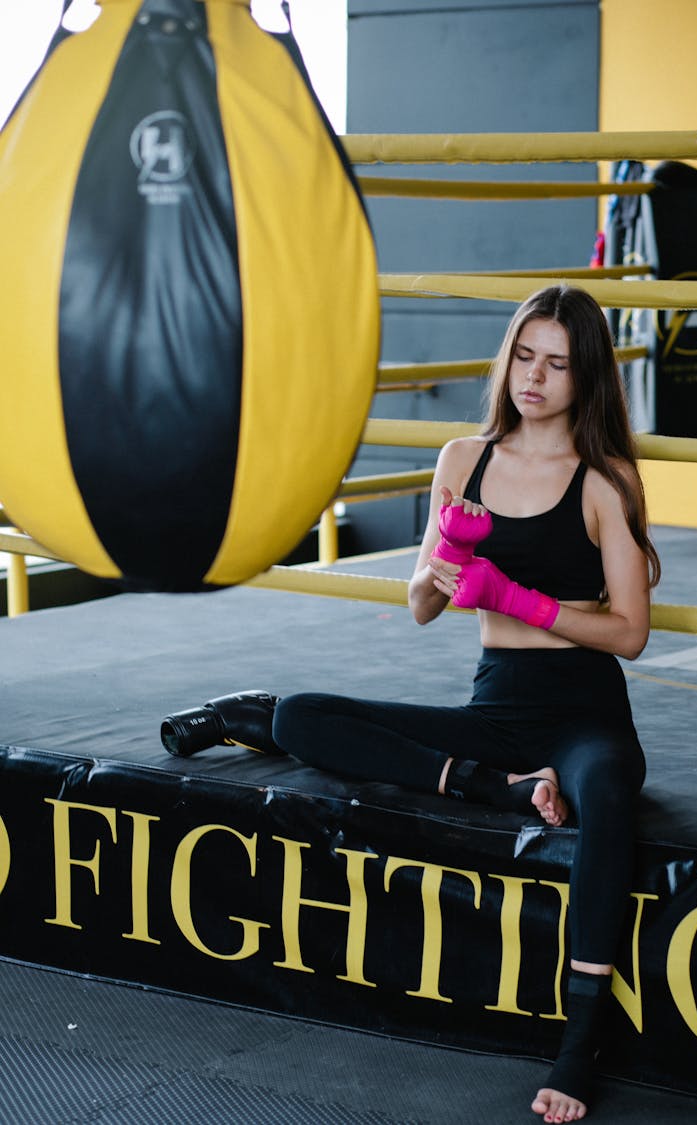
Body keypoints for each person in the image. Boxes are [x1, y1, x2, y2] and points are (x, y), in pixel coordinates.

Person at [161, 285, 660, 1122]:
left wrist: (522, 596)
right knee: (301, 716)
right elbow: (423, 607)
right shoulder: (463, 459)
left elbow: (631, 632)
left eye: (557, 363)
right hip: (495, 712)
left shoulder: (605, 480)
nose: (534, 377)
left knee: (607, 792)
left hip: (584, 715)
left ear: (587, 377)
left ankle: (580, 1043)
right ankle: (484, 785)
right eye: (524, 355)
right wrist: (443, 566)